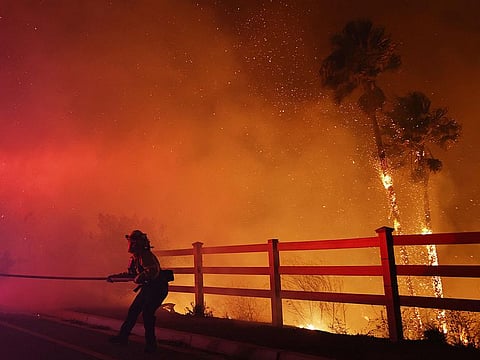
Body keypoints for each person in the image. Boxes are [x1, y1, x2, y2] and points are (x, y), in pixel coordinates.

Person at [107, 230, 169, 353]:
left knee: (147, 313)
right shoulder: (136, 257)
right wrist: (114, 278)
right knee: (133, 311)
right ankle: (122, 338)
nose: (129, 244)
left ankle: (151, 345)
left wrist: (140, 277)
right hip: (148, 287)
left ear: (136, 243)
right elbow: (130, 275)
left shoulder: (145, 255)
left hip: (157, 288)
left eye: (131, 241)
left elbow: (152, 271)